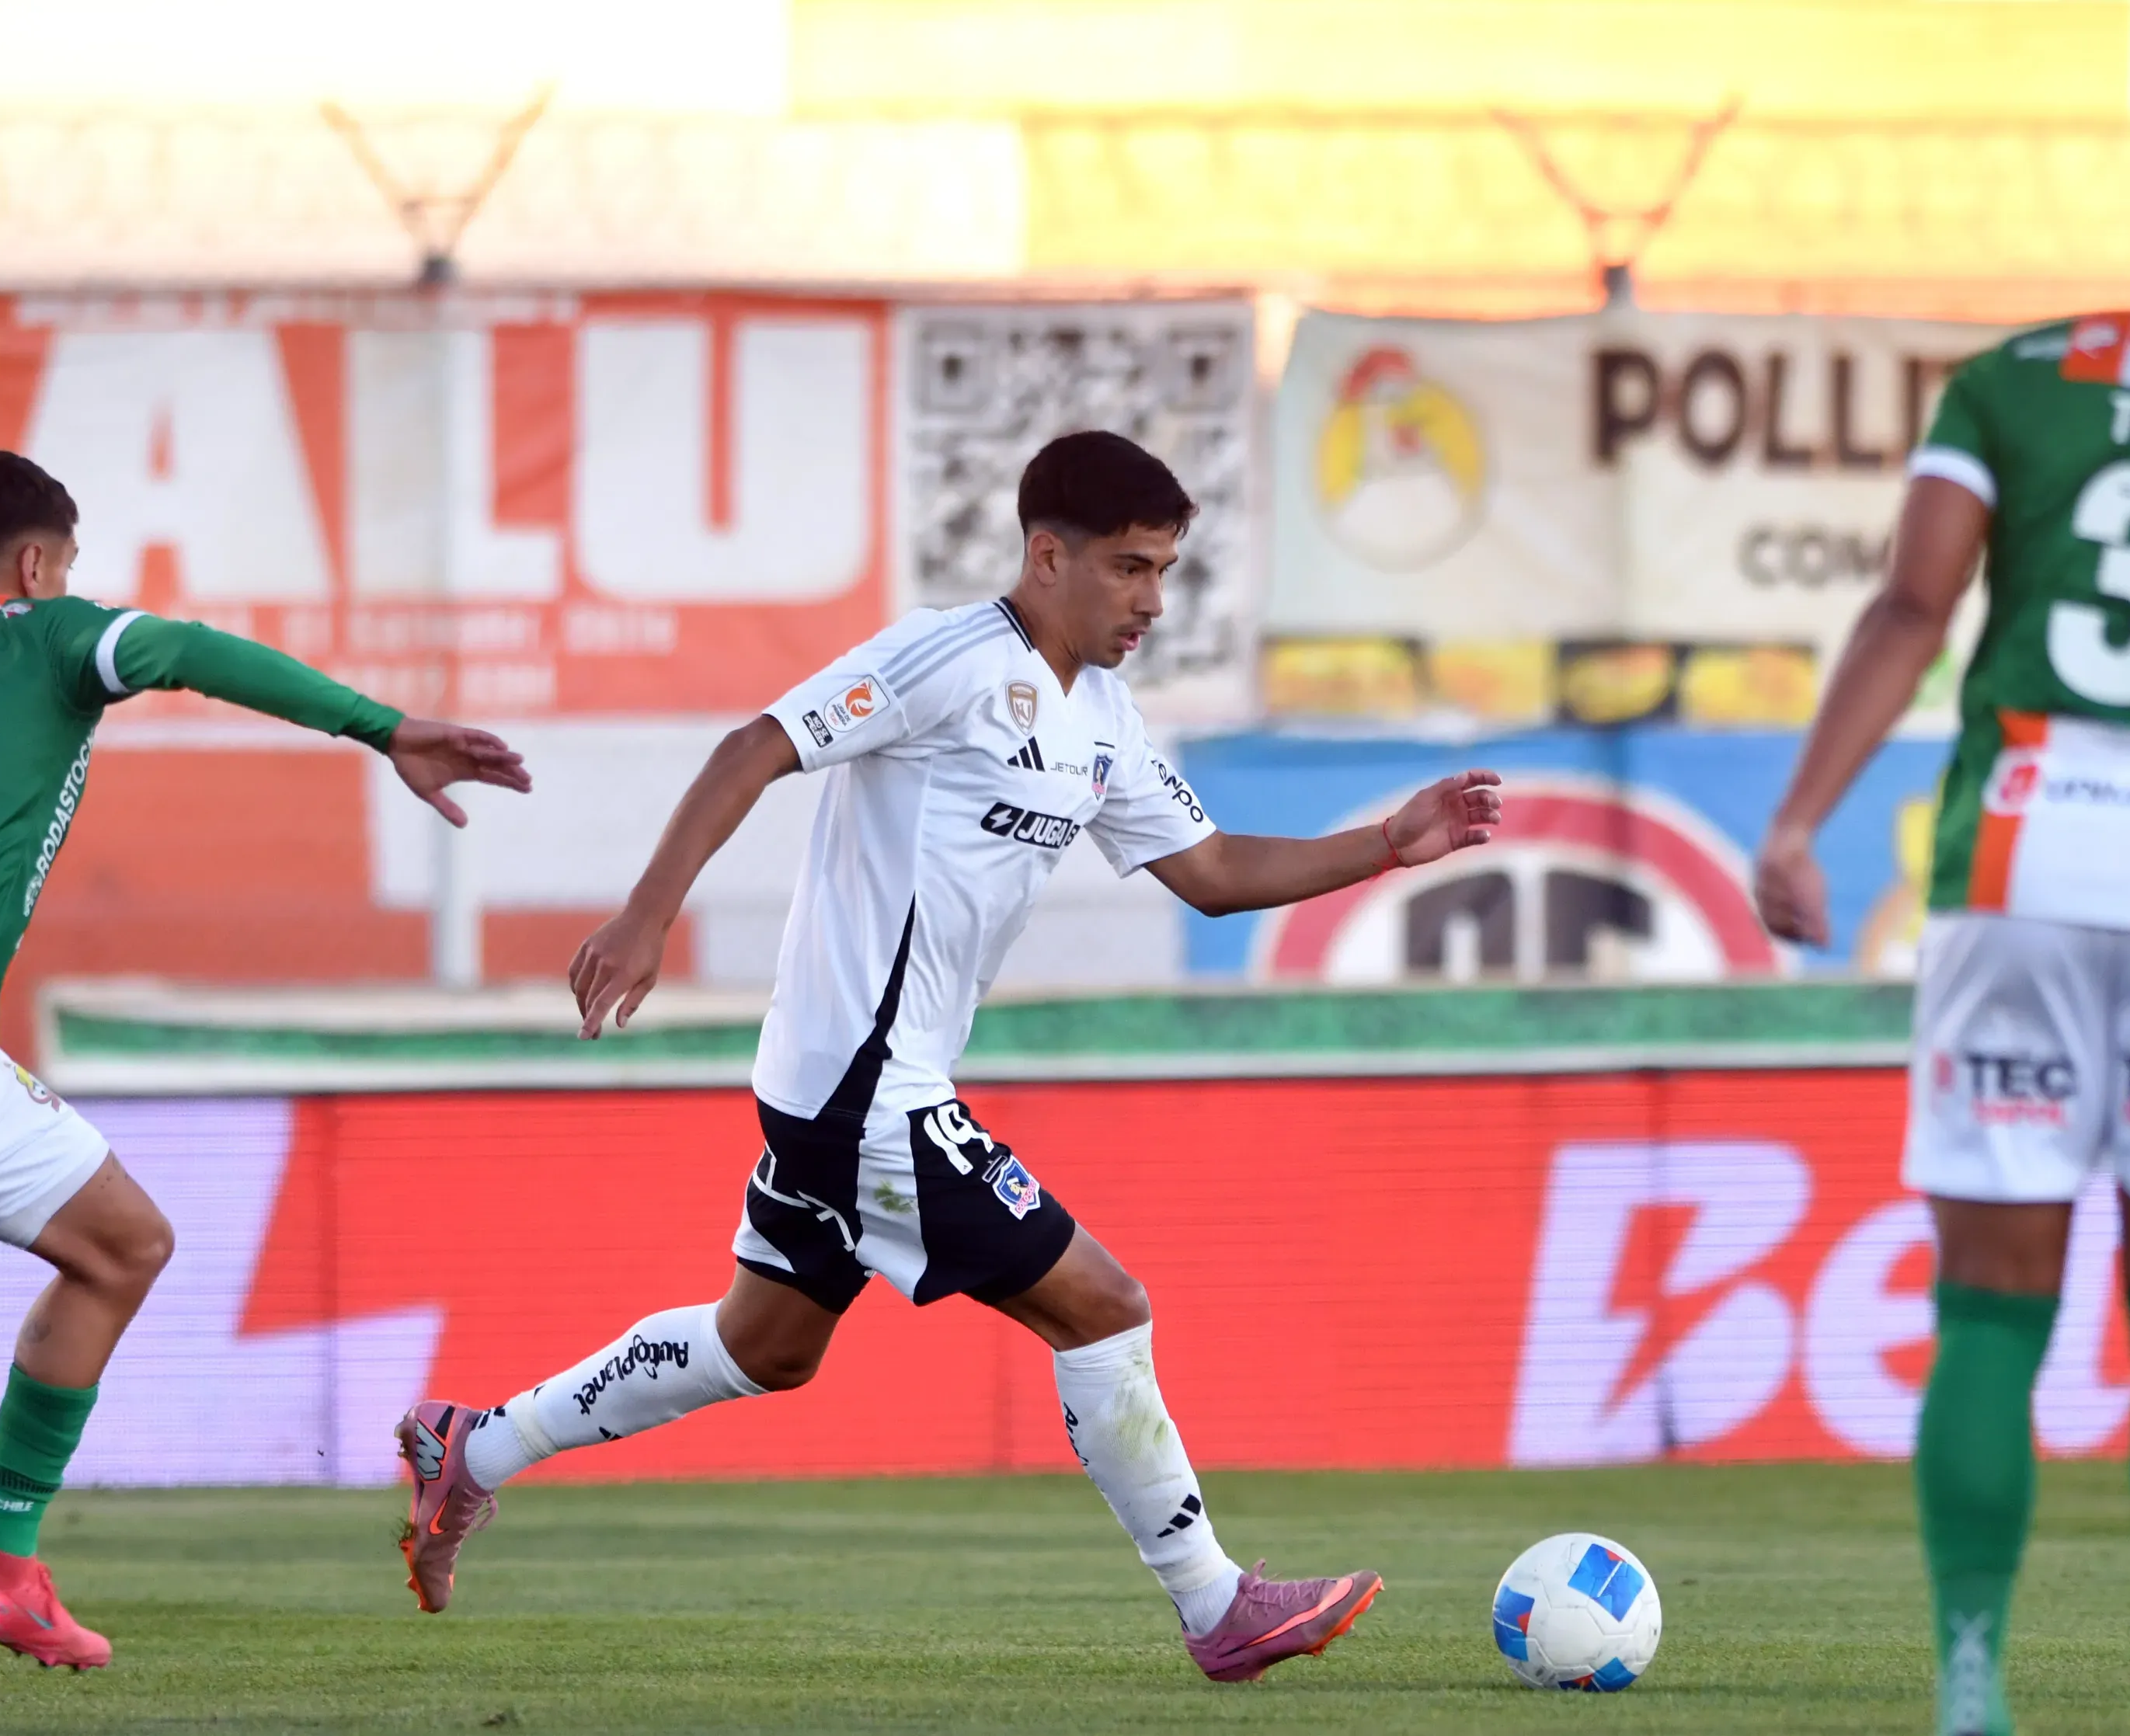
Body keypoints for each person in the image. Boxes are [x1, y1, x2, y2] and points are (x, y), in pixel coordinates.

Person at [395, 430, 1502, 1683]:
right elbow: (757, 742)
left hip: (842, 1084)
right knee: (1103, 1303)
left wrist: (1386, 844)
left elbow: (1214, 873)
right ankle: (1217, 1603)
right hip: (866, 1087)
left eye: (1166, 571)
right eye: (1132, 568)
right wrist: (647, 913)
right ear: (1048, 554)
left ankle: (469, 1448)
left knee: (767, 1345)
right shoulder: (948, 658)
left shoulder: (1105, 717)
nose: (1151, 600)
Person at [0, 448, 530, 1669]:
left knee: (121, 1242)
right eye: (70, 568)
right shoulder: (47, 639)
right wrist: (386, 726)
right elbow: (190, 650)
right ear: (41, 561)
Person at [1755, 113, 2130, 1736]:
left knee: (1990, 1309)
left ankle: (1967, 1694)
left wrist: (1797, 820)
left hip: (2008, 874)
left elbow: (1910, 605)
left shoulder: (2015, 379)